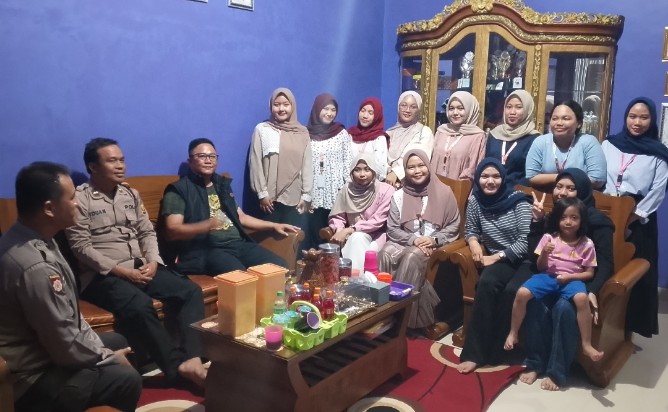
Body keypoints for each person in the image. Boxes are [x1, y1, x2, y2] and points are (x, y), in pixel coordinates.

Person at [65, 138, 207, 387]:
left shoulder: (130, 194)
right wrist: (122, 272)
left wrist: (153, 261)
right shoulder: (80, 200)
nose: (120, 165)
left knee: (190, 291)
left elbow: (146, 232)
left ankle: (192, 359)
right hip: (102, 275)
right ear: (93, 167)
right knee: (140, 305)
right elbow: (81, 247)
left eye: (122, 160)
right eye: (112, 161)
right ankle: (175, 370)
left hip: (140, 266)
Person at [0, 162, 141, 412]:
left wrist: (103, 352)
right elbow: (63, 346)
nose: (78, 204)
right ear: (49, 208)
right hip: (32, 378)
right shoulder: (35, 266)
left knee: (117, 340)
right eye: (72, 197)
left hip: (44, 349)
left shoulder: (30, 235)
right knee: (125, 378)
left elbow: (68, 316)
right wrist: (108, 358)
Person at [519, 168, 614, 391]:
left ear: (582, 191)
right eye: (559, 186)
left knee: (564, 308)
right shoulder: (555, 217)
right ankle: (535, 363)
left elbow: (606, 263)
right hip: (552, 277)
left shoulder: (599, 222)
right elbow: (535, 255)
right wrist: (537, 221)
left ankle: (557, 372)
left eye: (570, 188)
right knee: (535, 302)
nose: (562, 192)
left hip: (581, 282)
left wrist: (593, 289)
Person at [160, 138, 298, 275]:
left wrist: (274, 225)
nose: (208, 160)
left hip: (237, 244)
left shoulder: (222, 185)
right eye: (202, 156)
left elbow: (242, 217)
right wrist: (208, 225)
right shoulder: (179, 190)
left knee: (279, 267)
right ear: (190, 161)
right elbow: (172, 230)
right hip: (206, 250)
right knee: (240, 278)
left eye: (212, 156)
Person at [505, 197, 603, 362]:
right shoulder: (549, 238)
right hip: (548, 276)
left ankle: (586, 345)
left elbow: (589, 274)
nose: (568, 222)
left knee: (581, 298)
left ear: (582, 220)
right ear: (557, 219)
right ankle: (513, 333)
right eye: (563, 217)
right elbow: (540, 267)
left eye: (574, 218)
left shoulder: (587, 244)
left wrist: (570, 277)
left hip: (572, 279)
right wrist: (544, 252)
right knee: (521, 293)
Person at [457, 158, 532, 374]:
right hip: (503, 261)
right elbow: (471, 229)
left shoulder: (519, 201)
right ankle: (474, 353)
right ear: (478, 178)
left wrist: (496, 257)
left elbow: (525, 242)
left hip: (526, 260)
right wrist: (473, 243)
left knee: (512, 291)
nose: (490, 181)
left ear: (503, 178)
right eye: (485, 176)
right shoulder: (476, 200)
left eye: (496, 176)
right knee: (487, 283)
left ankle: (499, 351)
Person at [601, 97, 668, 337]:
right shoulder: (609, 144)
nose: (637, 122)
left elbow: (658, 190)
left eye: (643, 117)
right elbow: (600, 176)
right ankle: (605, 327)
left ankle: (629, 328)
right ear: (625, 117)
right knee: (607, 266)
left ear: (652, 120)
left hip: (640, 219)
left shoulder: (659, 153)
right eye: (632, 116)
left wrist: (631, 217)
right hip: (607, 212)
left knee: (636, 273)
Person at [377, 149, 460, 339]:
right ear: (405, 170)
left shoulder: (444, 192)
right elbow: (392, 229)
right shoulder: (398, 195)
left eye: (421, 165)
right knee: (385, 253)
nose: (417, 171)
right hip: (407, 240)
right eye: (411, 167)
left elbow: (453, 225)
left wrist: (433, 240)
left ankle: (401, 319)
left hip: (434, 244)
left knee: (412, 256)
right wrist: (413, 240)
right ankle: (382, 314)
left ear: (428, 166)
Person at [249, 87, 312, 226]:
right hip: (270, 199)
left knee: (292, 237)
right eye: (276, 105)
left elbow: (307, 165)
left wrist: (306, 195)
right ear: (271, 106)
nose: (281, 109)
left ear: (292, 106)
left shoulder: (302, 132)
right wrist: (262, 193)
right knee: (270, 237)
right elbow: (255, 163)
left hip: (294, 198)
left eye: (286, 104)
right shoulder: (262, 129)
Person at [302, 93, 353, 250]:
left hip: (335, 193)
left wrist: (347, 190)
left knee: (333, 233)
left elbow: (348, 162)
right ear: (317, 109)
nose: (329, 113)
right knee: (313, 233)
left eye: (333, 110)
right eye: (325, 109)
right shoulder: (306, 134)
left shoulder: (341, 133)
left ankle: (332, 264)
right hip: (314, 193)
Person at [328, 153, 394, 272]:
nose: (362, 174)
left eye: (367, 170)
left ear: (373, 171)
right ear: (351, 172)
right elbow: (338, 216)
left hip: (378, 236)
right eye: (357, 170)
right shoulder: (346, 189)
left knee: (357, 239)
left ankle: (353, 279)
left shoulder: (386, 190)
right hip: (351, 237)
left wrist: (349, 230)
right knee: (356, 239)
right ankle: (360, 279)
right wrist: (339, 230)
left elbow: (377, 221)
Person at [525, 100, 606, 190]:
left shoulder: (588, 142)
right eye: (555, 119)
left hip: (579, 197)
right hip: (545, 196)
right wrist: (564, 178)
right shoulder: (541, 142)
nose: (559, 123)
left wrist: (561, 181)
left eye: (565, 119)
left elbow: (597, 179)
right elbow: (531, 177)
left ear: (579, 123)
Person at [486, 90, 540, 187]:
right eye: (508, 107)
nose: (512, 112)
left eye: (518, 107)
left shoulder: (534, 139)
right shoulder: (494, 135)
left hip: (519, 192)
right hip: (491, 189)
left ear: (528, 110)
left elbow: (532, 174)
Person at [430, 91, 486, 181]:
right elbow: (432, 160)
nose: (455, 113)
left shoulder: (477, 136)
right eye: (451, 108)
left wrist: (457, 187)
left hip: (459, 187)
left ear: (470, 110)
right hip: (435, 184)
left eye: (460, 108)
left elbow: (473, 168)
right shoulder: (441, 131)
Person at [385, 91, 434, 188]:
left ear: (418, 110)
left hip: (412, 185)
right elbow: (381, 157)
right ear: (398, 107)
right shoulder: (389, 133)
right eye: (403, 105)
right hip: (387, 182)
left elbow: (421, 158)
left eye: (413, 107)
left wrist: (396, 173)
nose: (407, 110)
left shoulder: (424, 132)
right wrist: (389, 171)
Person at [347, 97, 390, 181]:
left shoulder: (379, 138)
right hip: (350, 183)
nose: (365, 116)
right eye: (363, 111)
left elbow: (381, 168)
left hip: (371, 184)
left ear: (377, 116)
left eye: (370, 113)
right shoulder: (350, 135)